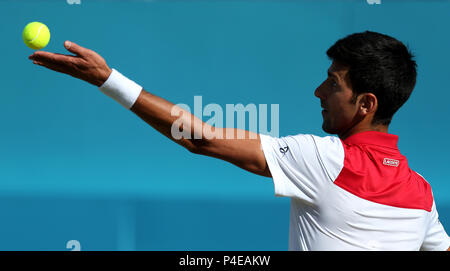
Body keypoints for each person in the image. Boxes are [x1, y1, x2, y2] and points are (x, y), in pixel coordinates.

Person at [28, 30, 450, 251]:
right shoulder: (423, 197)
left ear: (366, 104)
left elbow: (200, 138)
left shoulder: (324, 159)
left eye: (333, 83)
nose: (319, 92)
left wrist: (108, 80)